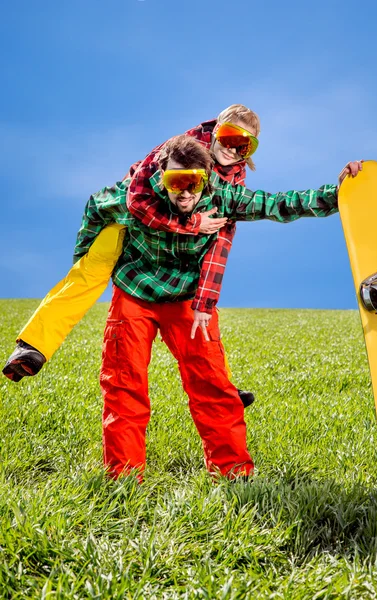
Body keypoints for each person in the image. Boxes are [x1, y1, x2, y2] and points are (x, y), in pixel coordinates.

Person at [70, 134, 361, 480]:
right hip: (135, 293)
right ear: (161, 175)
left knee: (211, 384)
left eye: (195, 182)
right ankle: (123, 478)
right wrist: (84, 264)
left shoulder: (224, 199)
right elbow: (94, 205)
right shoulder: (135, 195)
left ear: (208, 178)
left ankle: (233, 473)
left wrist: (339, 192)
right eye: (176, 181)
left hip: (189, 303)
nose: (186, 192)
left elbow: (280, 204)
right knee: (124, 386)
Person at [2, 105, 261, 408]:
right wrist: (192, 224)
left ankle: (223, 386)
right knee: (90, 273)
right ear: (216, 130)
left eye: (244, 145)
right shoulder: (179, 148)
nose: (232, 148)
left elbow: (223, 231)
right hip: (127, 222)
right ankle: (32, 346)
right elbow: (137, 200)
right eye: (229, 137)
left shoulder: (235, 175)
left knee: (197, 315)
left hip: (171, 242)